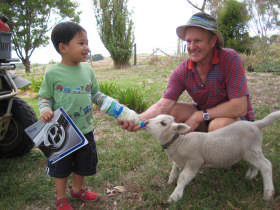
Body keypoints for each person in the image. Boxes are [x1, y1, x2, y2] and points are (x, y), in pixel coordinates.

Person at [120, 12, 254, 132]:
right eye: (189, 41)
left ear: (212, 41)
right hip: (206, 118)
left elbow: (239, 107)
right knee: (172, 112)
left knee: (217, 126)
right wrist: (138, 119)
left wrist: (200, 115)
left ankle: (222, 155)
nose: (191, 47)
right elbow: (163, 106)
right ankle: (203, 147)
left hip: (236, 120)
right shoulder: (183, 71)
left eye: (198, 41)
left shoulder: (230, 59)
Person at [38, 22, 108, 210]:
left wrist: (109, 104)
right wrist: (45, 109)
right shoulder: (52, 73)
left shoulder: (88, 70)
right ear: (63, 47)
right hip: (62, 132)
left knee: (83, 164)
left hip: (85, 129)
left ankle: (77, 190)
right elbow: (44, 97)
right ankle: (61, 198)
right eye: (81, 43)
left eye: (87, 43)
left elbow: (94, 94)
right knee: (61, 167)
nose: (87, 47)